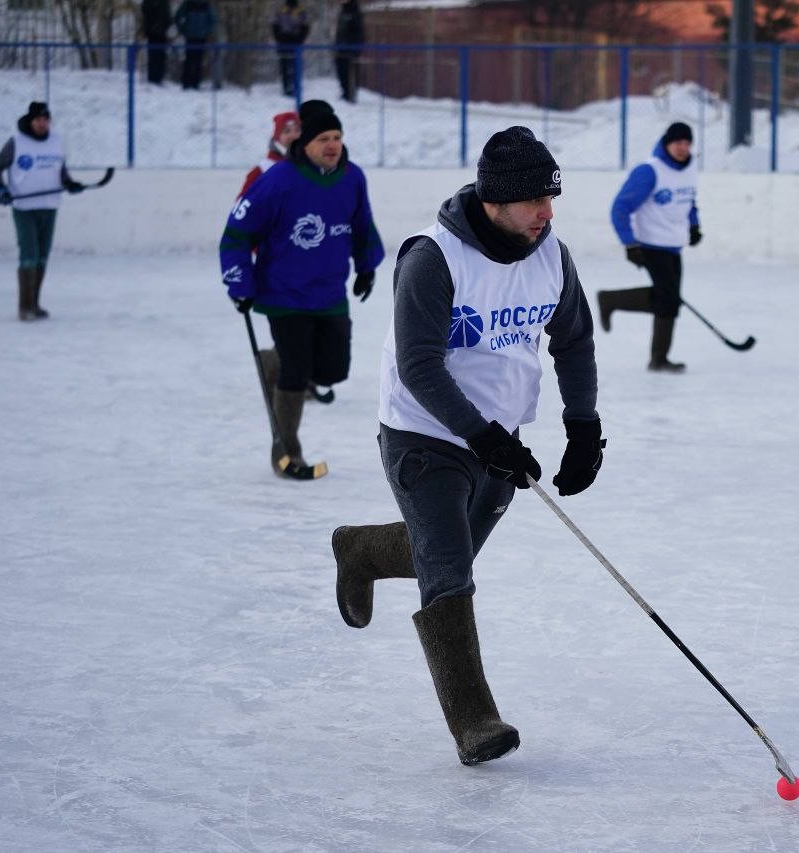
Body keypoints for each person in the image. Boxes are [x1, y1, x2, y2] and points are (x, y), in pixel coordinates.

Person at [331, 126, 602, 766]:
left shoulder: (550, 254)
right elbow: (421, 368)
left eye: (552, 198)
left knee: (446, 548)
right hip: (424, 433)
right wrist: (482, 437)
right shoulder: (434, 259)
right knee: (449, 566)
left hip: (499, 438)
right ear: (497, 198)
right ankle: (474, 720)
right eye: (535, 199)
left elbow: (574, 341)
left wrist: (584, 427)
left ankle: (361, 550)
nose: (548, 211)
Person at [218, 100, 385, 478]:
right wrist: (240, 283)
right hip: (284, 295)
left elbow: (362, 225)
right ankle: (287, 452)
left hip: (329, 294)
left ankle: (272, 361)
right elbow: (237, 235)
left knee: (331, 371)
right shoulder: (278, 180)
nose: (332, 144)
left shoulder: (352, 178)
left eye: (338, 137)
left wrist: (366, 267)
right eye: (323, 138)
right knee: (297, 373)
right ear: (305, 144)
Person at [598, 121, 701, 372]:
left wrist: (694, 225)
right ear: (667, 143)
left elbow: (689, 200)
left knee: (669, 301)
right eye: (678, 142)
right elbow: (620, 208)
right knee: (668, 299)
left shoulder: (690, 168)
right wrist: (630, 243)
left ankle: (612, 302)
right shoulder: (649, 171)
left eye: (687, 143)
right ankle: (658, 358)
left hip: (674, 245)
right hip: (651, 245)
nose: (682, 148)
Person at [0, 101, 85, 321]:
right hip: (24, 208)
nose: (42, 123)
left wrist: (70, 183)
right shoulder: (17, 142)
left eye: (45, 119)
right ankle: (25, 308)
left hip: (50, 206)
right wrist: (0, 188)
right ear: (31, 121)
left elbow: (60, 170)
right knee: (29, 255)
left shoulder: (57, 141)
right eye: (38, 120)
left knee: (42, 256)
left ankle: (35, 304)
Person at [237, 111, 299, 198]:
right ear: (277, 137)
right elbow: (241, 205)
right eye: (287, 131)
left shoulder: (310, 167)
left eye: (297, 130)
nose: (293, 135)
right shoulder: (262, 170)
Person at [173, 0, 215, 91]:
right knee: (195, 60)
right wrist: (207, 31)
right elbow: (213, 20)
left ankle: (189, 83)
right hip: (195, 36)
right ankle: (193, 83)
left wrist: (183, 29)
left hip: (193, 35)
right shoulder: (192, 4)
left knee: (191, 60)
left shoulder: (202, 4)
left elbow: (177, 17)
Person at [272, 0, 310, 98]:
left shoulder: (301, 11)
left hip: (296, 44)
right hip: (283, 43)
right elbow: (275, 26)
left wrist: (299, 39)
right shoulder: (281, 10)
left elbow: (305, 27)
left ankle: (296, 87)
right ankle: (286, 88)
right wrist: (280, 38)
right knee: (284, 65)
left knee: (296, 66)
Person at [334, 0, 365, 104]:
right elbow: (340, 30)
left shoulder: (355, 11)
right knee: (341, 71)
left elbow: (359, 30)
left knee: (351, 71)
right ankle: (345, 92)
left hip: (351, 48)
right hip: (341, 47)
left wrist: (354, 46)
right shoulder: (342, 11)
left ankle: (351, 95)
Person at [141, 0, 172, 85]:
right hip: (155, 32)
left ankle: (157, 78)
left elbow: (167, 16)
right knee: (155, 56)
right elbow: (145, 12)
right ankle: (154, 78)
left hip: (158, 32)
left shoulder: (163, 2)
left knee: (158, 56)